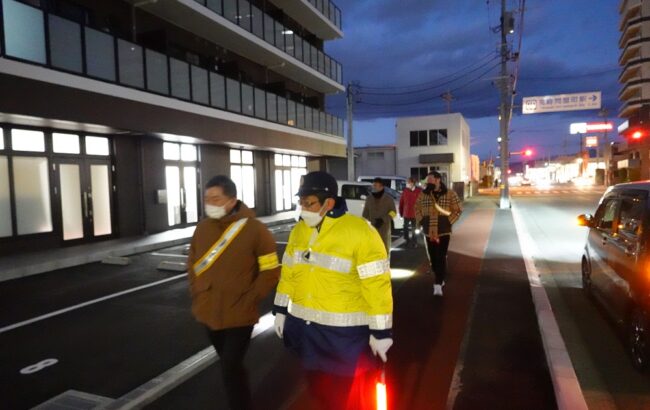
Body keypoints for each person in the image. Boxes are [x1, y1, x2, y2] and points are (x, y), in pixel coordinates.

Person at [273, 171, 393, 410]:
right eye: (301, 202)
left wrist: (381, 332)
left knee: (345, 399)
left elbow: (376, 285)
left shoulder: (359, 231)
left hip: (344, 337)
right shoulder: (299, 231)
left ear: (328, 202)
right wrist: (280, 309)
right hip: (306, 332)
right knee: (318, 391)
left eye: (309, 203)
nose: (303, 208)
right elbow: (288, 271)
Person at [187, 175, 280, 410]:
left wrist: (250, 299)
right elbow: (192, 264)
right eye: (207, 198)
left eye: (216, 198)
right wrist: (197, 292)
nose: (209, 203)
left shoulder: (256, 230)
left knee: (230, 366)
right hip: (208, 311)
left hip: (239, 314)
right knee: (230, 366)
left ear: (232, 200)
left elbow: (270, 271)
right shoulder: (203, 228)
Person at [415, 171, 462, 297]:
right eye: (427, 180)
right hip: (428, 231)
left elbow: (458, 210)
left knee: (441, 256)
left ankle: (438, 283)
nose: (428, 182)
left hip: (443, 231)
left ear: (438, 180)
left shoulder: (450, 193)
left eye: (430, 179)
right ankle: (439, 275)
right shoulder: (423, 195)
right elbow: (416, 208)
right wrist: (422, 220)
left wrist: (448, 221)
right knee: (433, 258)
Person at [362, 177, 397, 253]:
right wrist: (365, 225)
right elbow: (365, 214)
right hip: (372, 229)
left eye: (375, 185)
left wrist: (383, 219)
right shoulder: (369, 199)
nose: (373, 187)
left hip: (384, 229)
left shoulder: (388, 199)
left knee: (384, 250)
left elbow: (394, 212)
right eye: (373, 185)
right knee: (372, 250)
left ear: (381, 186)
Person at [399, 177, 422, 248]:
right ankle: (407, 240)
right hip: (406, 213)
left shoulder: (419, 191)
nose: (407, 184)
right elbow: (401, 202)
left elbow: (422, 202)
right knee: (405, 227)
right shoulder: (405, 191)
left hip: (415, 214)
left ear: (413, 183)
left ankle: (414, 242)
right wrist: (401, 212)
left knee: (414, 229)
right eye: (407, 182)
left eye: (409, 182)